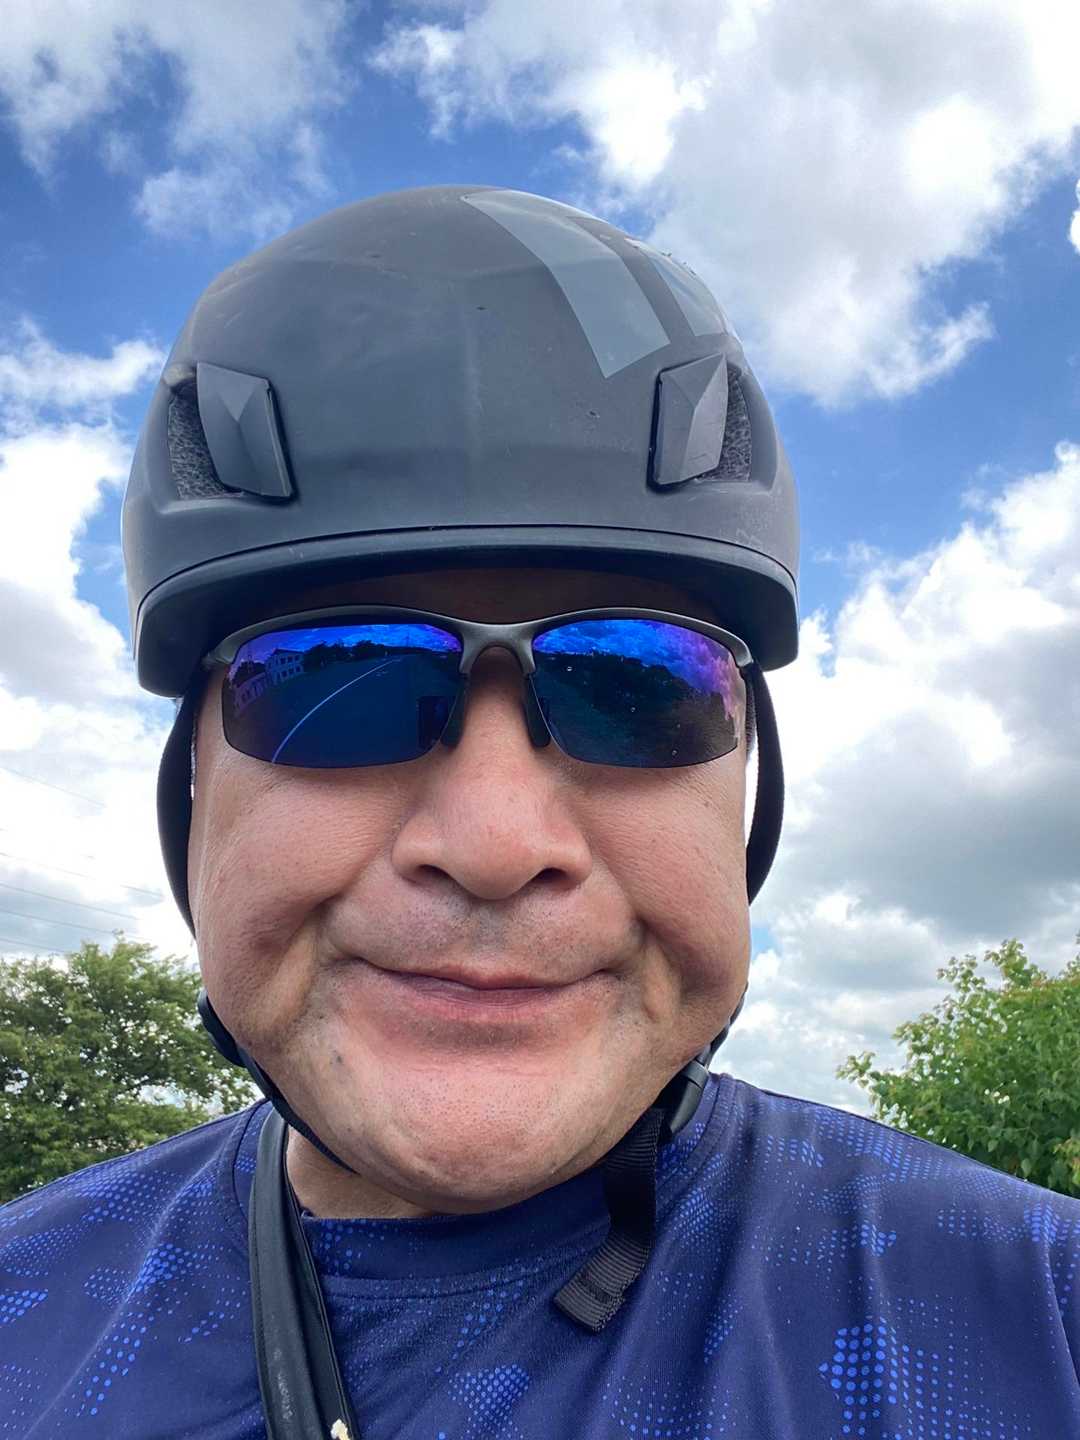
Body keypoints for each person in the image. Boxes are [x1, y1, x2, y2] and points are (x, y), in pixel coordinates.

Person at [1, 185, 1077, 1439]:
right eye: (338, 685)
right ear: (194, 789)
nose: (496, 847)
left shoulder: (1039, 1320)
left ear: (747, 784)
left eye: (639, 686)